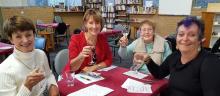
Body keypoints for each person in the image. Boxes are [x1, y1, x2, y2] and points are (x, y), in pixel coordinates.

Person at [139, 16, 220, 96]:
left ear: (200, 40)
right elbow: (159, 73)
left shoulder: (210, 62)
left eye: (192, 35)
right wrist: (147, 59)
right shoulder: (175, 56)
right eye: (181, 34)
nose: (185, 38)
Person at [0, 16, 59, 96]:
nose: (25, 40)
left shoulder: (41, 54)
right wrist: (27, 86)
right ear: (11, 39)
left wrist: (53, 86)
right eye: (18, 36)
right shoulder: (4, 69)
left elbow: (48, 76)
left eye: (28, 35)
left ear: (34, 35)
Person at [63, 9, 112, 73]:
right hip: (76, 76)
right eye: (91, 23)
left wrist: (94, 67)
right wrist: (81, 56)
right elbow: (72, 67)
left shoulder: (102, 38)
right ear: (85, 24)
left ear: (101, 24)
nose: (94, 26)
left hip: (94, 75)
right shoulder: (76, 39)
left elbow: (109, 60)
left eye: (97, 23)